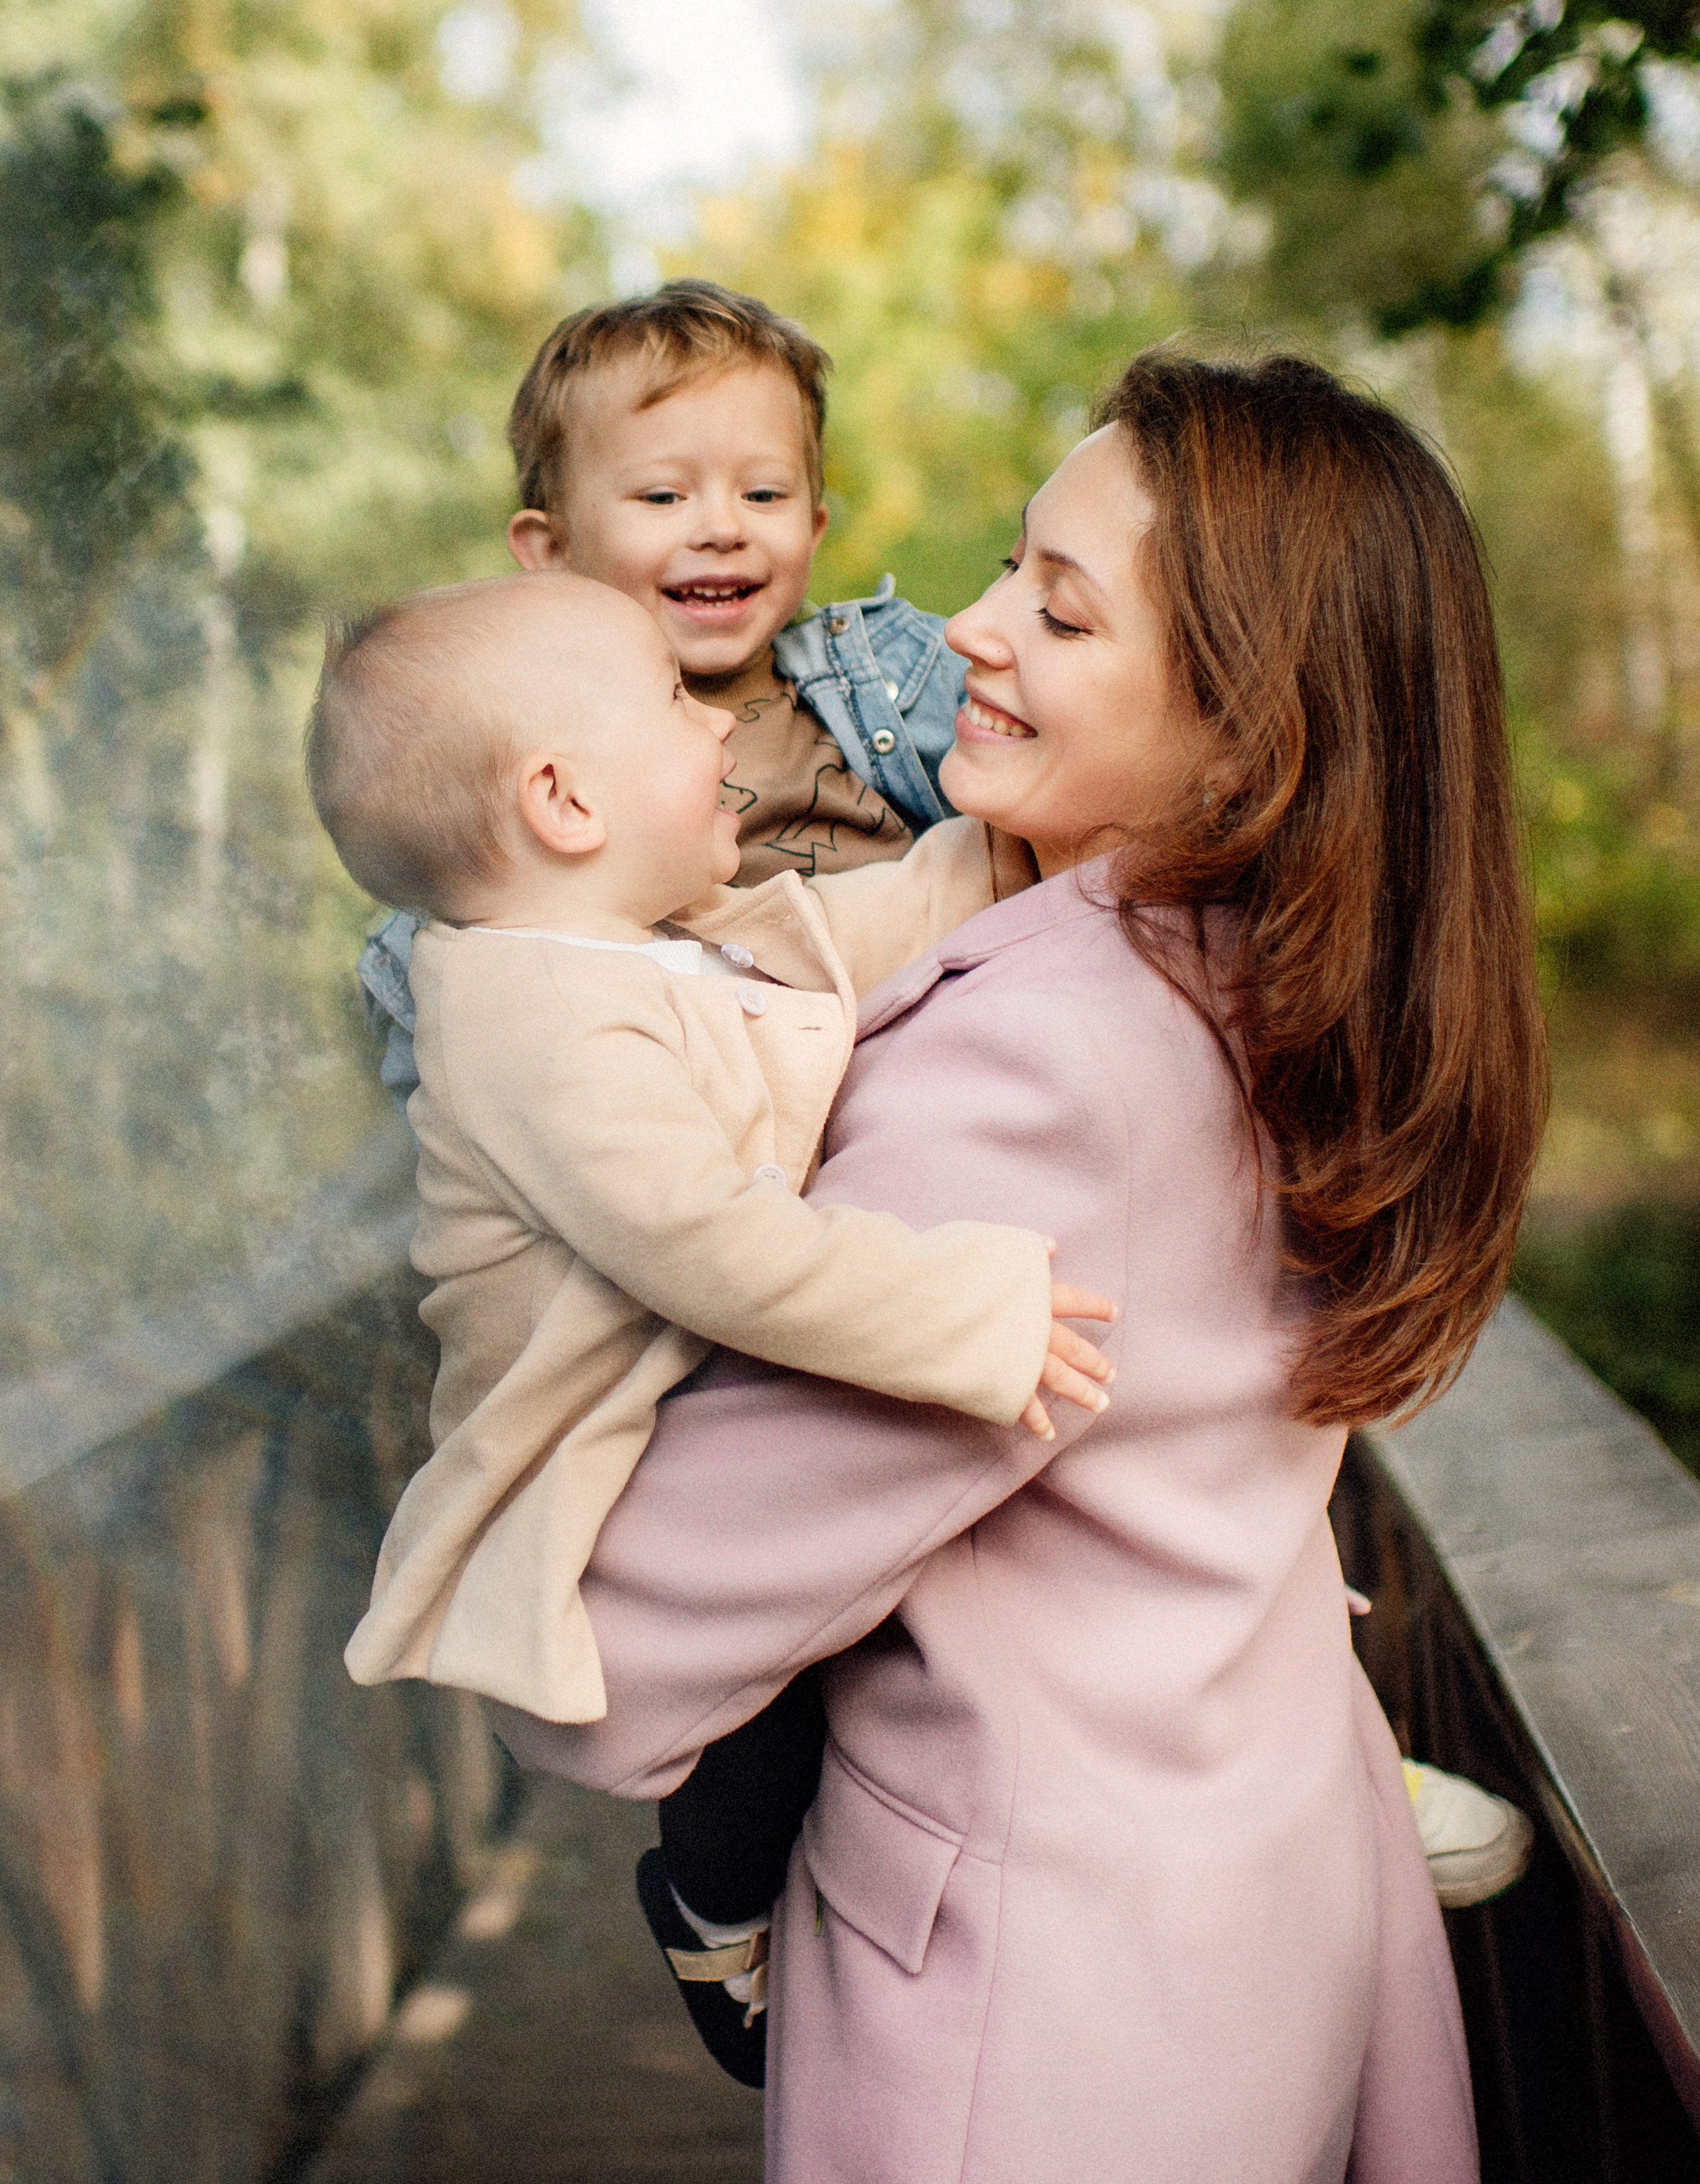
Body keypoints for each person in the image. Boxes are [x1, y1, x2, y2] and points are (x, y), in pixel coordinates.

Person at [491, 351, 1550, 2183]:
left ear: (1253, 723)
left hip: (1038, 2021)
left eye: (1058, 610)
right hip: (1247, 1888)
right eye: (1008, 567)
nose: (971, 627)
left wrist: (524, 1620)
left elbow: (702, 1556)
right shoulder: (1292, 994)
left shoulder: (1040, 1059)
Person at [304, 568, 1116, 2022]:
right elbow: (713, 1249)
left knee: (865, 1628)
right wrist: (964, 1313)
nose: (721, 727)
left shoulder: (616, 952)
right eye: (676, 704)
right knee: (762, 1708)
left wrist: (999, 857)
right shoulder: (527, 1022)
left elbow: (812, 956)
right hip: (594, 1474)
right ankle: (710, 1905)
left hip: (685, 1413)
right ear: (565, 804)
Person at [357, 277, 966, 1108]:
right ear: (553, 547)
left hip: (915, 1074)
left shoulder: (889, 675)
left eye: (764, 494)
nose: (722, 526)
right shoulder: (523, 746)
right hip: (700, 1130)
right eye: (663, 496)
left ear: (814, 528)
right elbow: (448, 993)